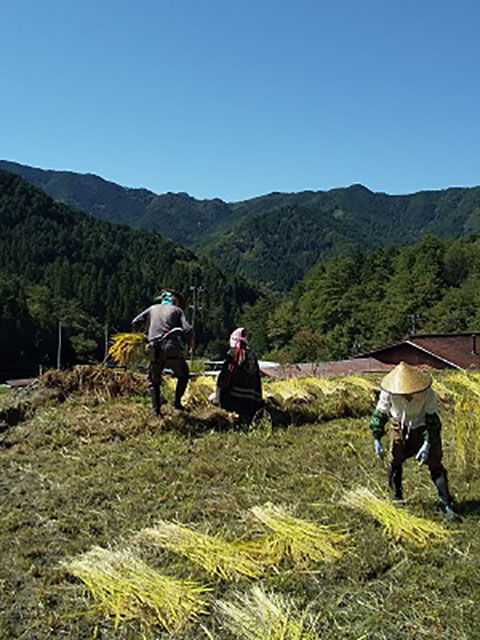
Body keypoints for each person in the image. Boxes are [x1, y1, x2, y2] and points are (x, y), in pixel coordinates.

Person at [369, 361, 456, 520]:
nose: (405, 395)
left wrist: (427, 443)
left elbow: (432, 421)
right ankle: (397, 497)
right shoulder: (389, 391)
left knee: (435, 463)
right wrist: (377, 439)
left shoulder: (427, 393)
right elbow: (380, 415)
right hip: (399, 425)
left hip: (422, 425)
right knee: (395, 460)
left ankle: (446, 503)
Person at [132, 288, 192, 415]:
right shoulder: (177, 310)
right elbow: (187, 329)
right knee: (184, 374)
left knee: (154, 380)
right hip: (171, 347)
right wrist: (188, 342)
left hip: (153, 348)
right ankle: (176, 402)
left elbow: (135, 322)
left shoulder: (152, 309)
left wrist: (144, 333)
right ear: (173, 301)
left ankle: (156, 410)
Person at [212, 327, 263, 421]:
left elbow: (225, 377)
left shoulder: (234, 354)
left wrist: (218, 398)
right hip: (251, 402)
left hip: (235, 400)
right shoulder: (252, 356)